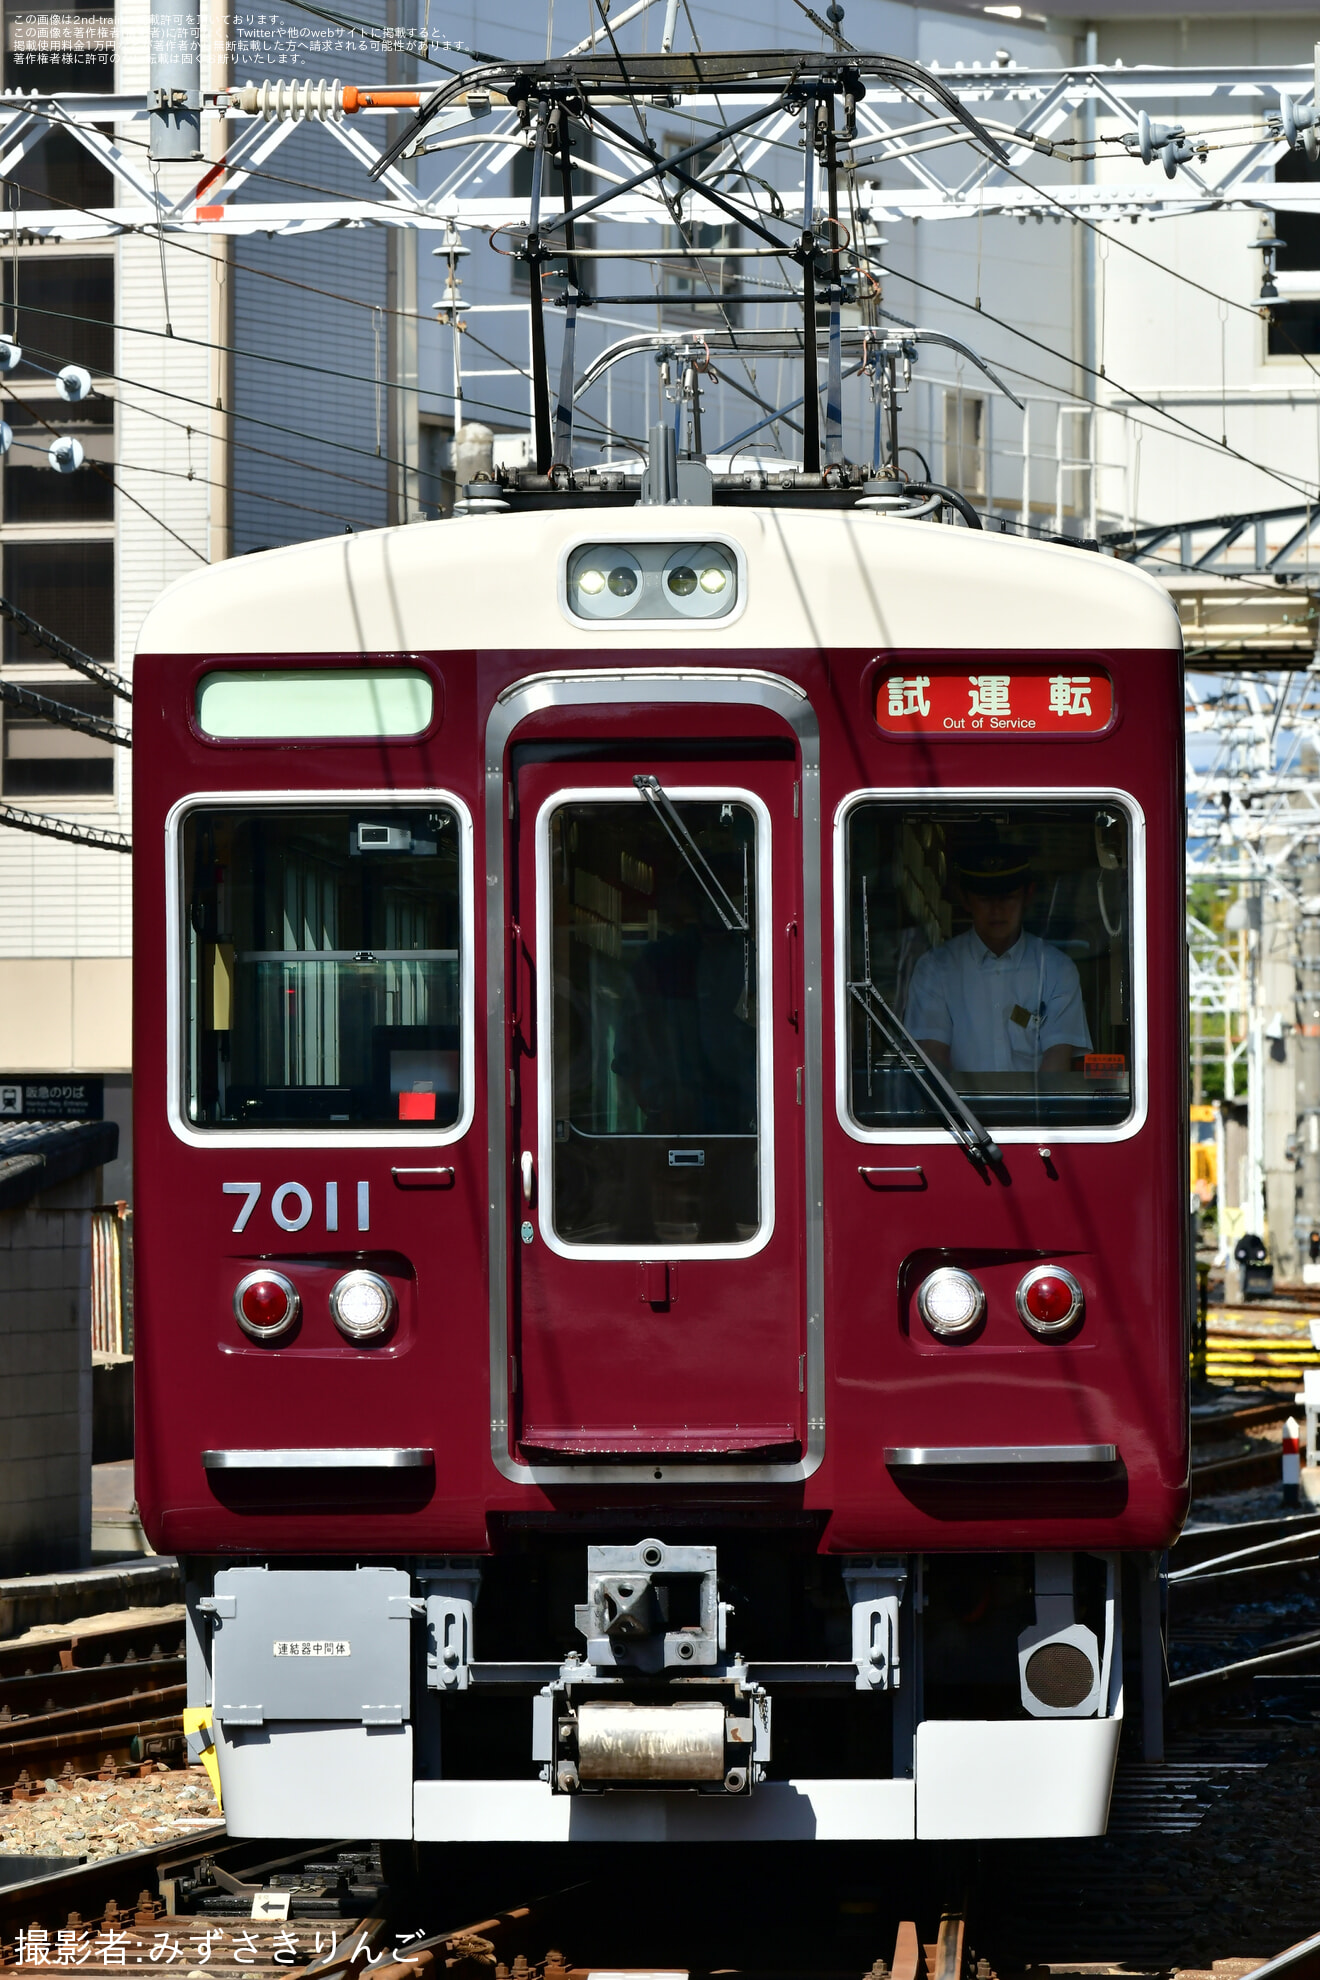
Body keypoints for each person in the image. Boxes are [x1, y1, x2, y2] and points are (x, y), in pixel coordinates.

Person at [904, 843, 1092, 1075]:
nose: (997, 910)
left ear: (1028, 895)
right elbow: (934, 1058)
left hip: (1033, 1111)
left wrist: (1039, 1110)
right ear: (965, 899)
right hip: (955, 1110)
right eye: (985, 898)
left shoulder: (1057, 969)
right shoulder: (936, 968)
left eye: (1008, 898)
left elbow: (1056, 1064)